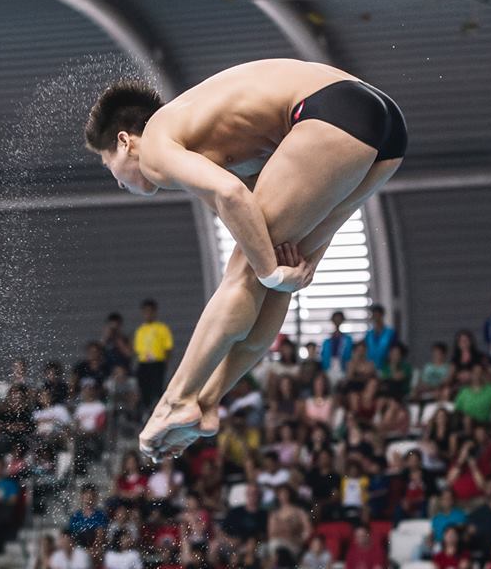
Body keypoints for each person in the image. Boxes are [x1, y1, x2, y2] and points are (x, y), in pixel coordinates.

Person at [84, 60, 408, 458]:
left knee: (248, 274)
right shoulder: (202, 131)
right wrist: (272, 268)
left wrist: (266, 269)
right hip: (384, 127)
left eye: (109, 166)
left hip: (328, 113)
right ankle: (205, 401)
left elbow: (233, 196)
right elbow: (243, 206)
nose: (118, 182)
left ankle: (175, 400)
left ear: (124, 141)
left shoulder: (153, 146)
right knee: (270, 276)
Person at [133, 298, 173, 411]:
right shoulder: (140, 330)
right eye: (145, 312)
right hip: (144, 363)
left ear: (155, 312)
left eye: (150, 311)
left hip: (158, 363)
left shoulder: (162, 328)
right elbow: (137, 350)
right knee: (144, 390)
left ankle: (159, 411)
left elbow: (168, 348)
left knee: (157, 389)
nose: (148, 314)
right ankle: (146, 411)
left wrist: (166, 364)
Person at [364, 304, 395, 372]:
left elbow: (394, 350)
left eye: (378, 315)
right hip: (371, 368)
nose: (376, 317)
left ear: (382, 315)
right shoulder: (369, 334)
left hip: (386, 366)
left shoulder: (390, 333)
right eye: (374, 315)